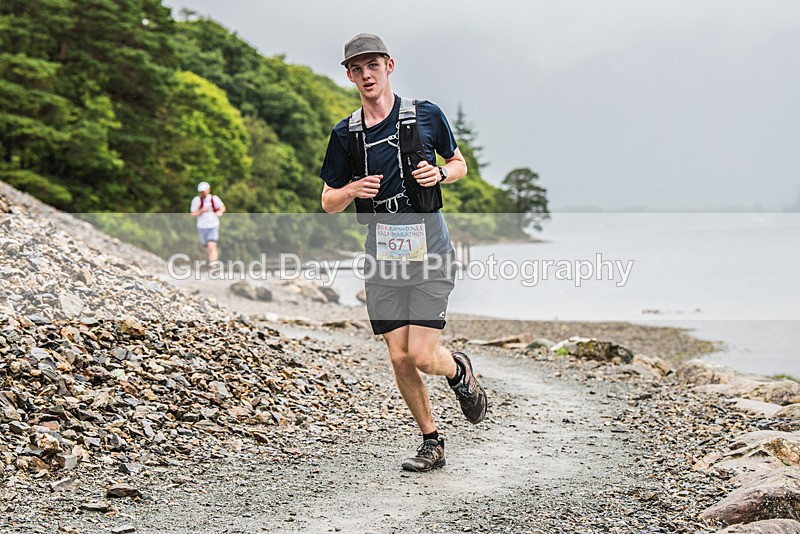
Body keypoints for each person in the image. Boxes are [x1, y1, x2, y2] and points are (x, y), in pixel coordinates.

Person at [319, 33, 488, 472]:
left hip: (431, 250)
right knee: (398, 356)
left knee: (422, 356)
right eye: (357, 68)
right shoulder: (345, 134)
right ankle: (432, 441)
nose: (366, 74)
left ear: (389, 66)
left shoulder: (425, 114)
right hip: (383, 256)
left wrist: (440, 174)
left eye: (373, 64)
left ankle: (457, 371)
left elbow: (459, 163)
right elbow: (328, 201)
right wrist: (354, 188)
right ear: (349, 75)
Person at [190, 181, 226, 263]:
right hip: (201, 226)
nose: (203, 193)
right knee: (206, 248)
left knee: (212, 246)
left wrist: (219, 212)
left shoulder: (214, 199)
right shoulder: (196, 200)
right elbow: (192, 213)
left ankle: (214, 266)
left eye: (204, 191)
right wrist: (200, 211)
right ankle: (210, 262)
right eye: (201, 192)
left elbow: (222, 207)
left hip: (213, 225)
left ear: (208, 190)